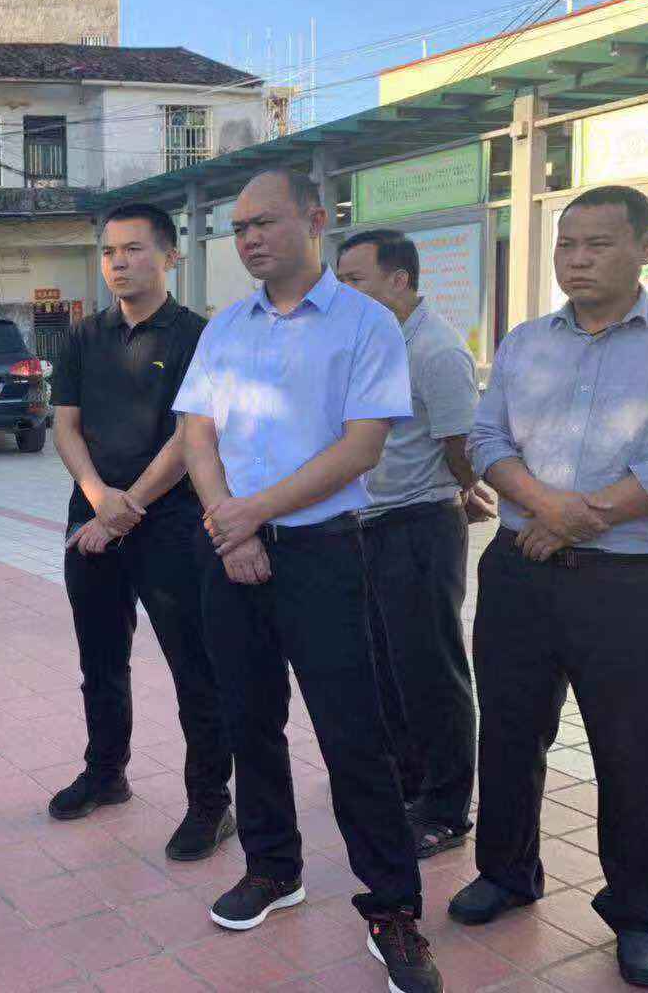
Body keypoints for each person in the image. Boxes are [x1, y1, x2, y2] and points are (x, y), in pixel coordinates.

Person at [177, 169, 442, 993]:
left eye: (265, 221)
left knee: (352, 732)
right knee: (249, 719)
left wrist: (251, 514)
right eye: (239, 227)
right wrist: (228, 524)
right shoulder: (226, 327)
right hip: (229, 551)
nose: (250, 238)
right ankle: (273, 867)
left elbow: (361, 447)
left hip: (323, 551)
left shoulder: (366, 323)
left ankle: (392, 907)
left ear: (316, 220)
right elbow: (197, 433)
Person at [451, 184, 648, 987]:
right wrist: (546, 507)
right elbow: (486, 437)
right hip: (520, 570)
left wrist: (581, 518)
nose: (577, 259)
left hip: (630, 582)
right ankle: (506, 873)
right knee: (509, 731)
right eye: (566, 244)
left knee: (634, 749)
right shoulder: (525, 343)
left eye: (598, 244)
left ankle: (640, 912)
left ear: (646, 248)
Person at [47, 201, 235, 862]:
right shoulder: (83, 335)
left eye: (133, 249)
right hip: (92, 517)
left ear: (169, 256)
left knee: (194, 667)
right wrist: (100, 501)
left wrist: (128, 509)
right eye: (109, 252)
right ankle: (106, 774)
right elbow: (65, 425)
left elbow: (192, 435)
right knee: (99, 659)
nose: (118, 263)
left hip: (172, 522)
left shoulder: (198, 336)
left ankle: (210, 803)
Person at [336, 230, 493, 859]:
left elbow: (462, 445)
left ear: (399, 280)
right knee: (385, 666)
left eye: (355, 280)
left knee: (430, 670)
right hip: (367, 525)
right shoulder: (368, 343)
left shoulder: (435, 350)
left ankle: (446, 808)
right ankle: (409, 784)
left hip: (418, 527)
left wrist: (463, 491)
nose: (343, 293)